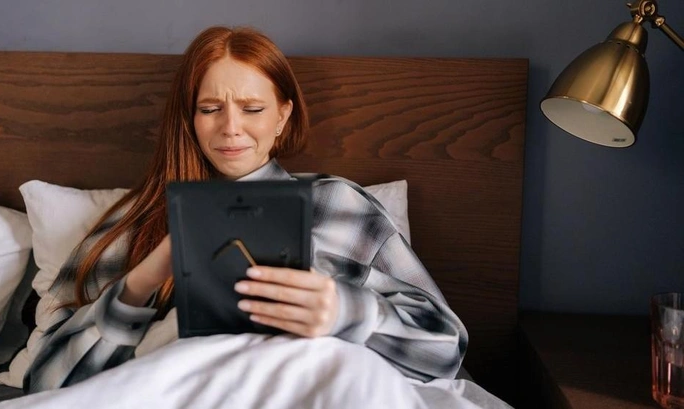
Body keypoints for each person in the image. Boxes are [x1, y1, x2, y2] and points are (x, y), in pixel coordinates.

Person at [24, 25, 468, 393]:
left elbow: (445, 352)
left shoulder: (338, 204)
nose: (231, 128)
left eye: (252, 108)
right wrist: (142, 282)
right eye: (210, 109)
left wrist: (345, 312)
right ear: (190, 119)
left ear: (282, 117)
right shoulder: (138, 220)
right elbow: (45, 381)